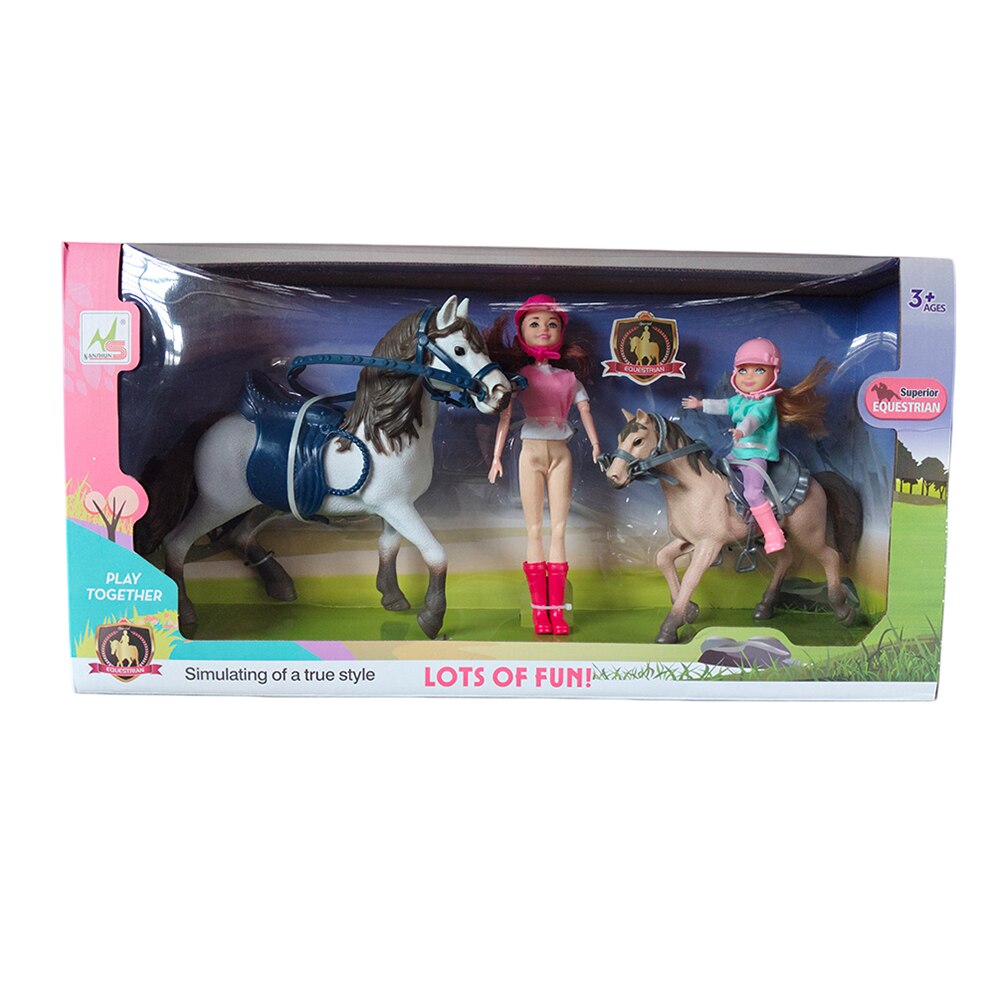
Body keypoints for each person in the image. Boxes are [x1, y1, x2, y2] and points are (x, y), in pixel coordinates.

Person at [486, 295, 600, 635]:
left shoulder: (569, 378)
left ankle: (557, 612)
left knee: (559, 529)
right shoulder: (519, 377)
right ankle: (540, 612)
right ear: (522, 331)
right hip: (530, 452)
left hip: (561, 453)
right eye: (534, 323)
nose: (544, 329)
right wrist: (496, 457)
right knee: (534, 529)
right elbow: (505, 416)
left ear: (561, 332)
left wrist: (596, 445)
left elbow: (585, 412)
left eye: (551, 323)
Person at [682, 338, 832, 554]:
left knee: (753, 493)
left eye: (759, 370)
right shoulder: (741, 399)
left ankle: (772, 533)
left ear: (774, 373)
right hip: (736, 454)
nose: (749, 377)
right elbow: (725, 405)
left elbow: (755, 419)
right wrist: (700, 404)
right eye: (743, 371)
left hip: (756, 456)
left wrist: (742, 431)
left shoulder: (765, 402)